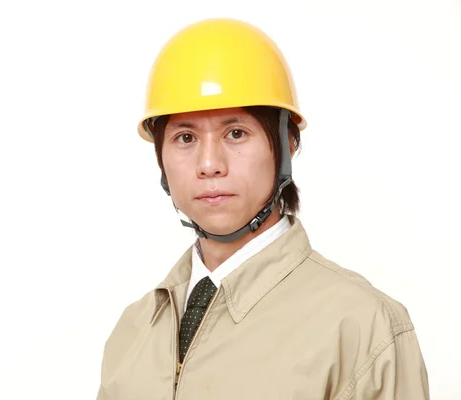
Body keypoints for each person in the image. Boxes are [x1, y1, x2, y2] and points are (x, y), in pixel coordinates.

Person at [96, 18, 429, 399]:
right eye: (185, 137)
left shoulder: (363, 326)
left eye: (235, 133)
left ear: (287, 144)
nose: (209, 164)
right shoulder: (134, 330)